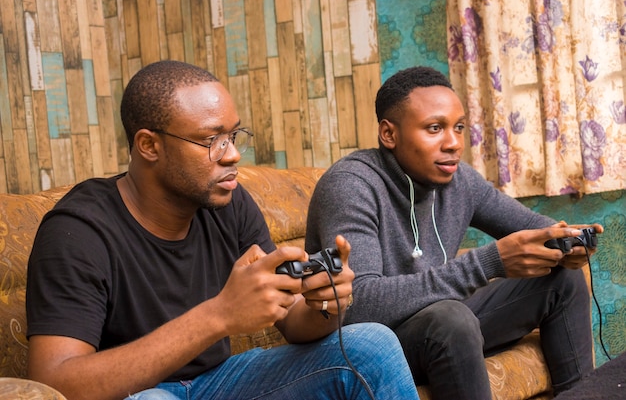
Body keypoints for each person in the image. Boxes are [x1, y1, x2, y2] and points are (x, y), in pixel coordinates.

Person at [26, 60, 420, 400]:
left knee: (373, 344)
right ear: (149, 145)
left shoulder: (226, 201)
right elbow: (54, 383)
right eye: (210, 140)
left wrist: (326, 304)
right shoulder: (77, 231)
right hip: (141, 393)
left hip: (222, 383)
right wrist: (219, 315)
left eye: (232, 136)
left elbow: (294, 323)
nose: (231, 154)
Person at [305, 66, 603, 399]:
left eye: (458, 127)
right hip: (372, 342)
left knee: (560, 280)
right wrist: (487, 263)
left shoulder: (460, 180)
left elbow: (534, 227)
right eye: (435, 128)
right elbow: (357, 302)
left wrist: (568, 241)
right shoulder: (351, 185)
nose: (453, 144)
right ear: (389, 134)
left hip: (440, 326)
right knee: (450, 318)